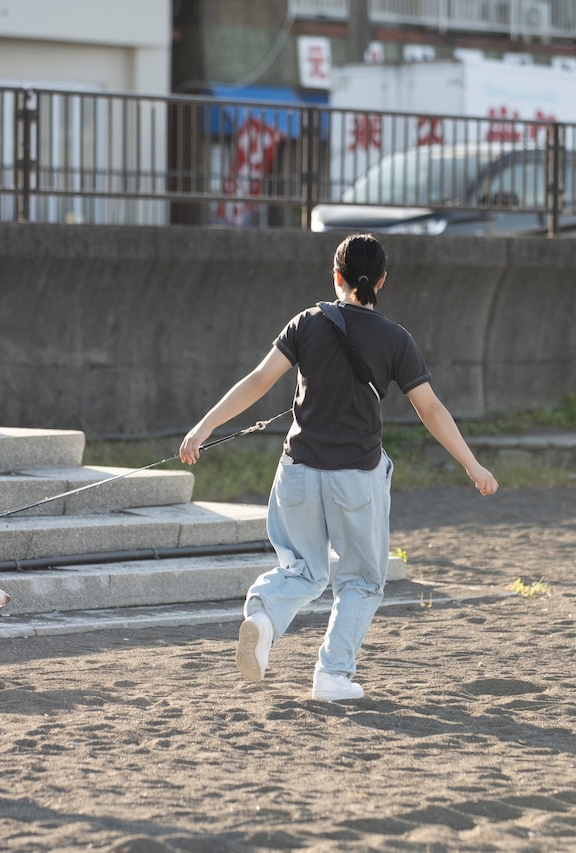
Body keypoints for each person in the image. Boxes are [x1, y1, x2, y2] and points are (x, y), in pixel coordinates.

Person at [179, 233, 499, 702]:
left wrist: (204, 427)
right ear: (382, 281)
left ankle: (264, 618)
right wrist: (472, 465)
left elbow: (258, 381)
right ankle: (331, 676)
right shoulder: (395, 339)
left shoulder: (307, 323)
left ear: (336, 276)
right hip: (356, 478)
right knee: (363, 581)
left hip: (298, 473)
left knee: (304, 570)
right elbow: (430, 409)